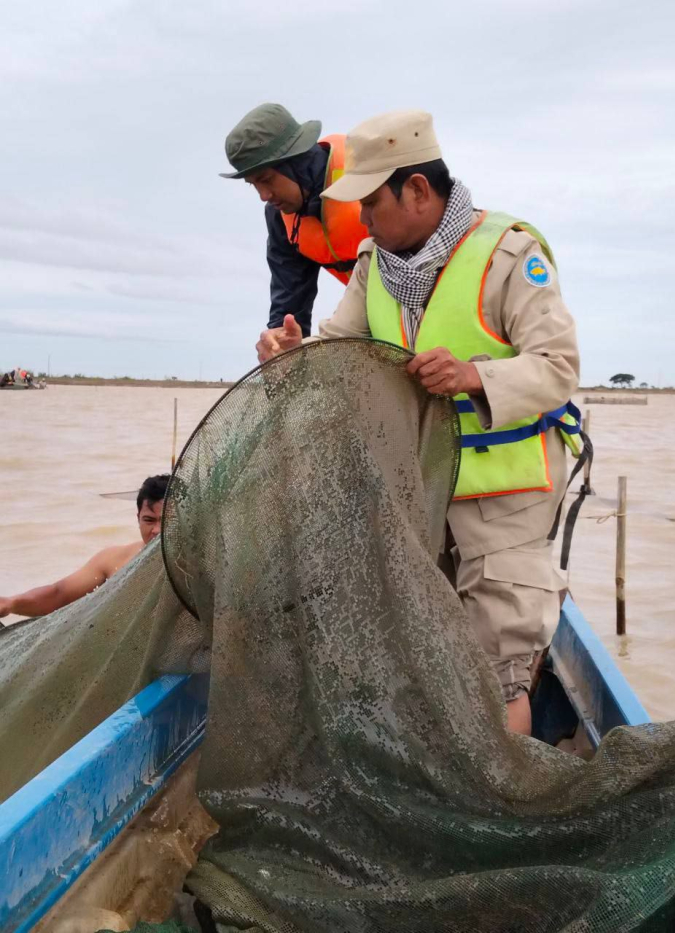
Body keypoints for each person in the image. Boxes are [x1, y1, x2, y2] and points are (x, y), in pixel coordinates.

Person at [256, 111, 581, 735]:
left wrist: (473, 376)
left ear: (417, 190)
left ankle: (497, 790)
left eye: (370, 203)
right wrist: (294, 354)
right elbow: (342, 351)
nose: (362, 220)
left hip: (506, 496)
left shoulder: (511, 255)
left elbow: (558, 367)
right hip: (418, 494)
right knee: (422, 651)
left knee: (499, 669)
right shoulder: (374, 263)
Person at [220, 102, 368, 337]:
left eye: (266, 179)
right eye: (253, 184)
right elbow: (289, 304)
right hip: (367, 311)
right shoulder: (280, 215)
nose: (263, 196)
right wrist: (280, 341)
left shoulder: (368, 175)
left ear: (298, 161)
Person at [0, 474, 169, 622]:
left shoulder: (186, 564)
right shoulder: (113, 559)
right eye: (149, 520)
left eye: (167, 519)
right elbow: (58, 594)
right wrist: (12, 603)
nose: (156, 530)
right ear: (138, 518)